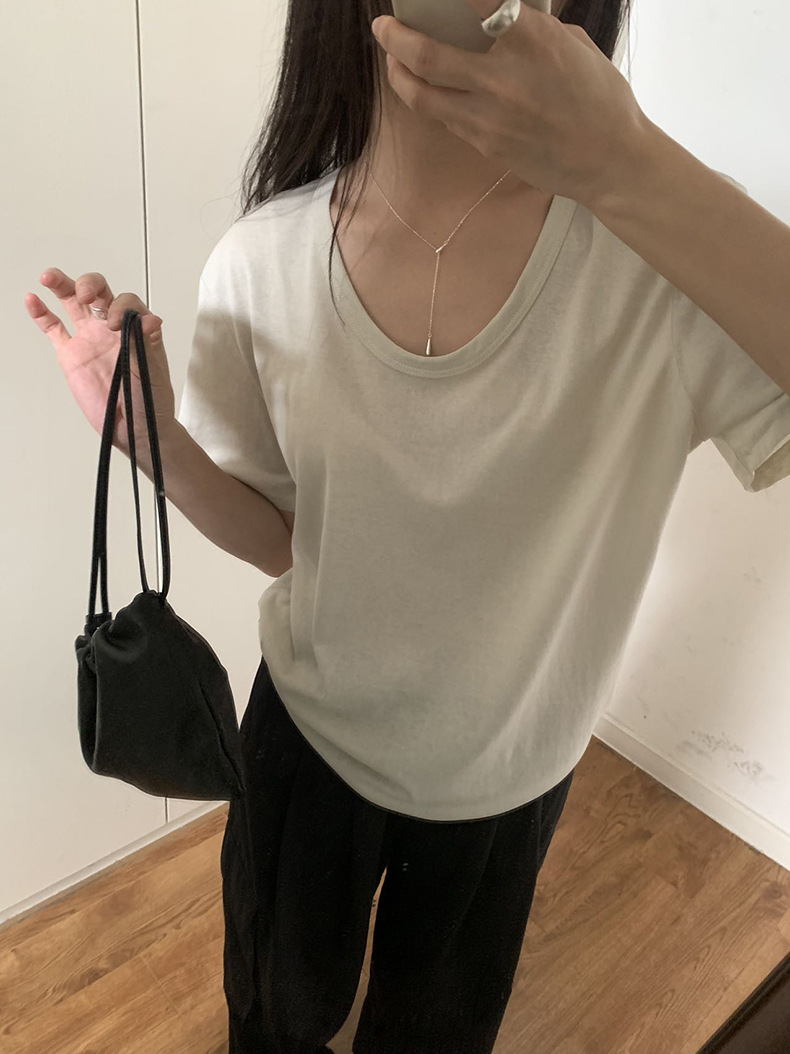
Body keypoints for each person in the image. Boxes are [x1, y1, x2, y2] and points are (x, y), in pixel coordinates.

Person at [27, 0, 790, 1051]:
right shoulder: (263, 261)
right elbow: (289, 541)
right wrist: (152, 439)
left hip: (508, 776)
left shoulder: (664, 259)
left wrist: (627, 162)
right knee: (275, 1015)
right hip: (307, 739)